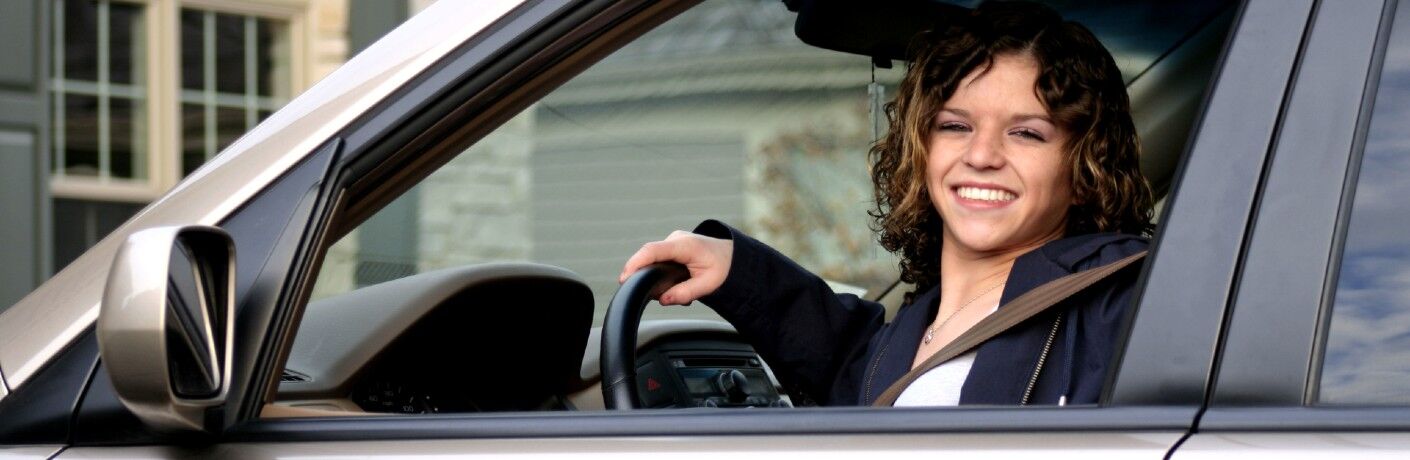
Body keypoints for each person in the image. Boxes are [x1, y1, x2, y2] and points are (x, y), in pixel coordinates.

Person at [619, 1, 1153, 407]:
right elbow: (853, 369)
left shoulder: (1124, 302)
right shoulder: (914, 328)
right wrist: (739, 271)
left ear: (1084, 168)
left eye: (1027, 133)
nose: (982, 155)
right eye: (955, 126)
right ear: (921, 148)